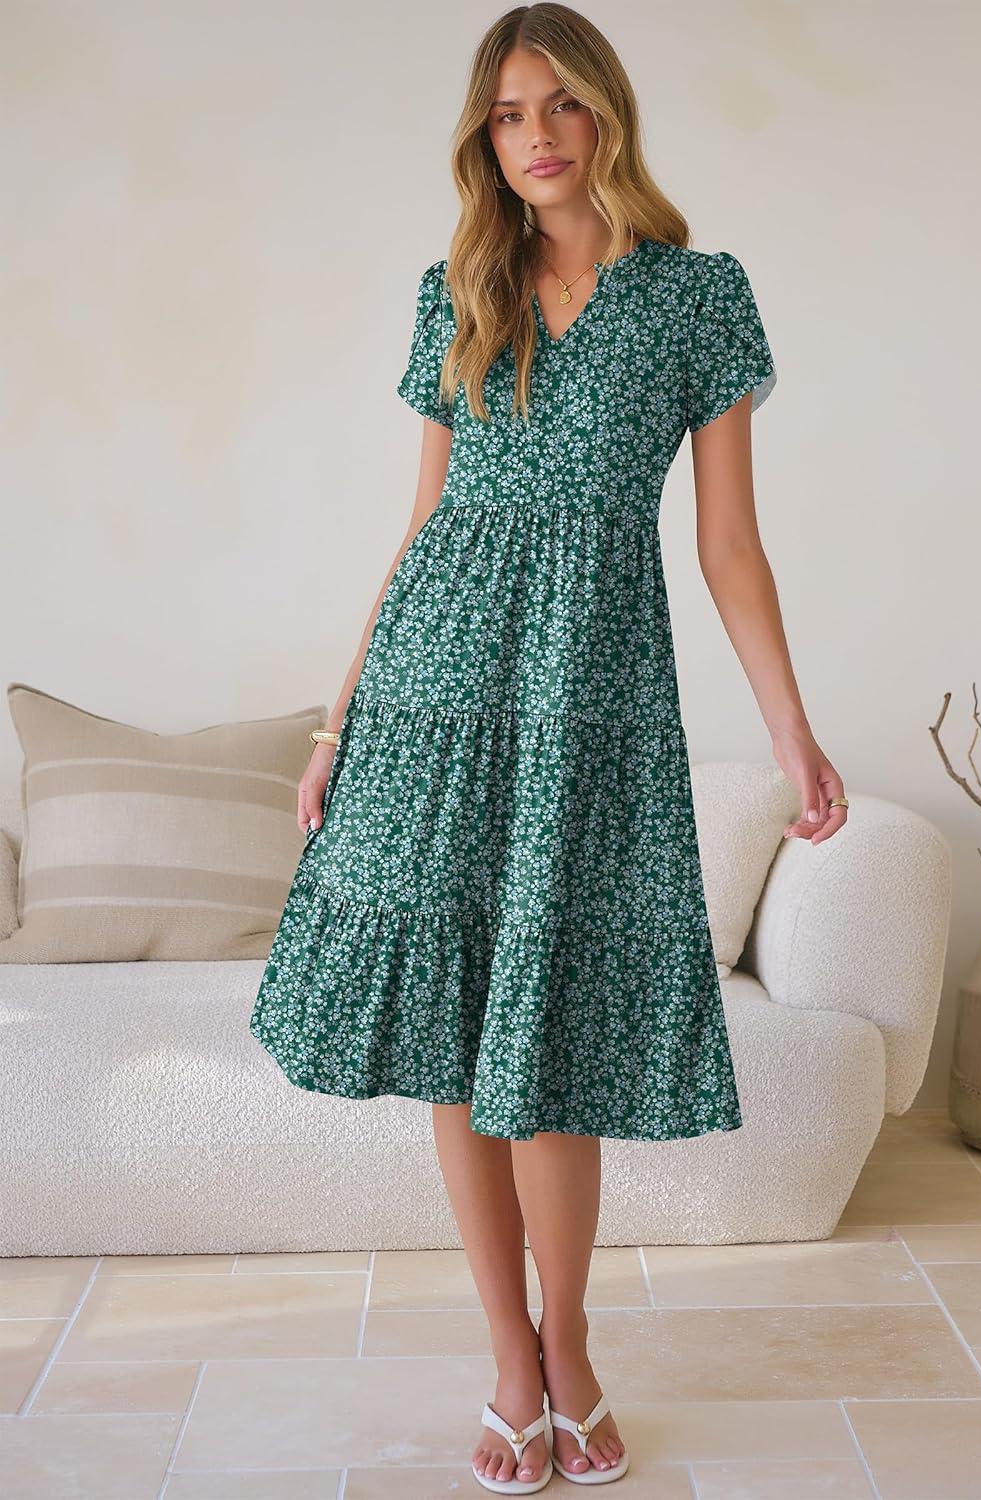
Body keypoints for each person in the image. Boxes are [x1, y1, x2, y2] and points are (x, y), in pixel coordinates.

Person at [250, 3, 847, 1491]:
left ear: (606, 117)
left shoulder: (697, 298)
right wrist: (338, 720)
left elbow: (727, 545)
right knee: (457, 1036)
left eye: (561, 105)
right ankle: (510, 1362)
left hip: (592, 699)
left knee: (549, 1039)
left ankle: (569, 1346)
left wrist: (793, 732)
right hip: (434, 694)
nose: (537, 136)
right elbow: (422, 530)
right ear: (486, 136)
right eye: (510, 113)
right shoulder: (455, 290)